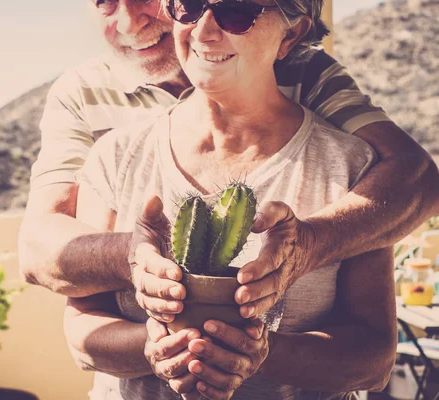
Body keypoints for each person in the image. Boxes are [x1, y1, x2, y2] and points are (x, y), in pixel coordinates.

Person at [18, 0, 438, 323]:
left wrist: (305, 247)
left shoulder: (302, 69)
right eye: (105, 1)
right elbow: (39, 248)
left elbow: (413, 176)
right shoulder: (83, 92)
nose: (128, 23)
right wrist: (147, 258)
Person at [66, 0, 397, 398]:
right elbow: (81, 329)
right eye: (187, 6)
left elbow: (375, 360)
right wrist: (155, 347)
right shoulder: (116, 155)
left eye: (237, 10)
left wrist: (262, 353)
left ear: (289, 34)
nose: (203, 31)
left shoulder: (351, 165)